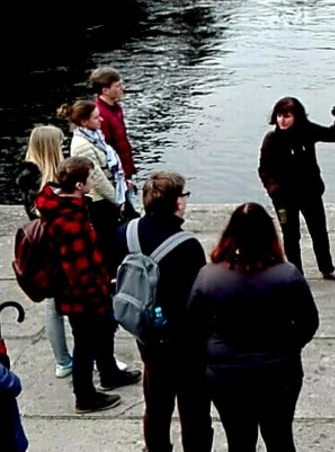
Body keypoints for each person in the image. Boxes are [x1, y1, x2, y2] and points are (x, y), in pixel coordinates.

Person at [187, 202, 319, 452]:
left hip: (226, 374)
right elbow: (309, 322)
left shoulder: (208, 275)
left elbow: (194, 325)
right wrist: (288, 346)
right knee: (280, 437)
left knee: (239, 440)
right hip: (278, 372)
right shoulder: (287, 274)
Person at [111, 171, 212, 451]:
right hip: (182, 340)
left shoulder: (125, 232)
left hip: (145, 332)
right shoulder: (186, 245)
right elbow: (198, 297)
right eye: (184, 195)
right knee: (193, 408)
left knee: (156, 403)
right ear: (177, 203)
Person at [34, 156, 141, 414]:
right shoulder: (70, 221)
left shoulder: (65, 206)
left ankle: (109, 373)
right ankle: (85, 396)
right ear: (80, 184)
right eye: (92, 177)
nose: (94, 181)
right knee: (86, 342)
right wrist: (99, 290)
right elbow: (79, 267)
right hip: (82, 293)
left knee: (103, 331)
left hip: (81, 289)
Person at [258, 96, 335, 281]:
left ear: (297, 116)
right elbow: (264, 169)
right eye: (279, 116)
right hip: (283, 199)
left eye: (287, 116)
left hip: (310, 194)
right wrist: (274, 190)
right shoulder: (272, 139)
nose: (282, 120)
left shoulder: (307, 131)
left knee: (319, 232)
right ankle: (296, 275)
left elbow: (332, 135)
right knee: (291, 236)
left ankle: (327, 268)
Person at [15, 125, 73, 379]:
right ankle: (67, 358)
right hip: (54, 247)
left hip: (46, 246)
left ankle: (63, 359)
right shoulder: (40, 178)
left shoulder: (27, 173)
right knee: (60, 302)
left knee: (55, 303)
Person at [58, 100, 127, 277]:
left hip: (111, 192)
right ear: (84, 122)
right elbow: (97, 178)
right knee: (109, 242)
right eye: (96, 117)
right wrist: (118, 201)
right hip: (100, 201)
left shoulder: (95, 136)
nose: (101, 119)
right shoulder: (82, 145)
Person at [90, 66, 139, 214]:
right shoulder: (101, 116)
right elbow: (107, 149)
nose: (122, 88)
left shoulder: (115, 108)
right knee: (127, 213)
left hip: (123, 172)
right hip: (117, 176)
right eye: (117, 86)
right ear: (105, 90)